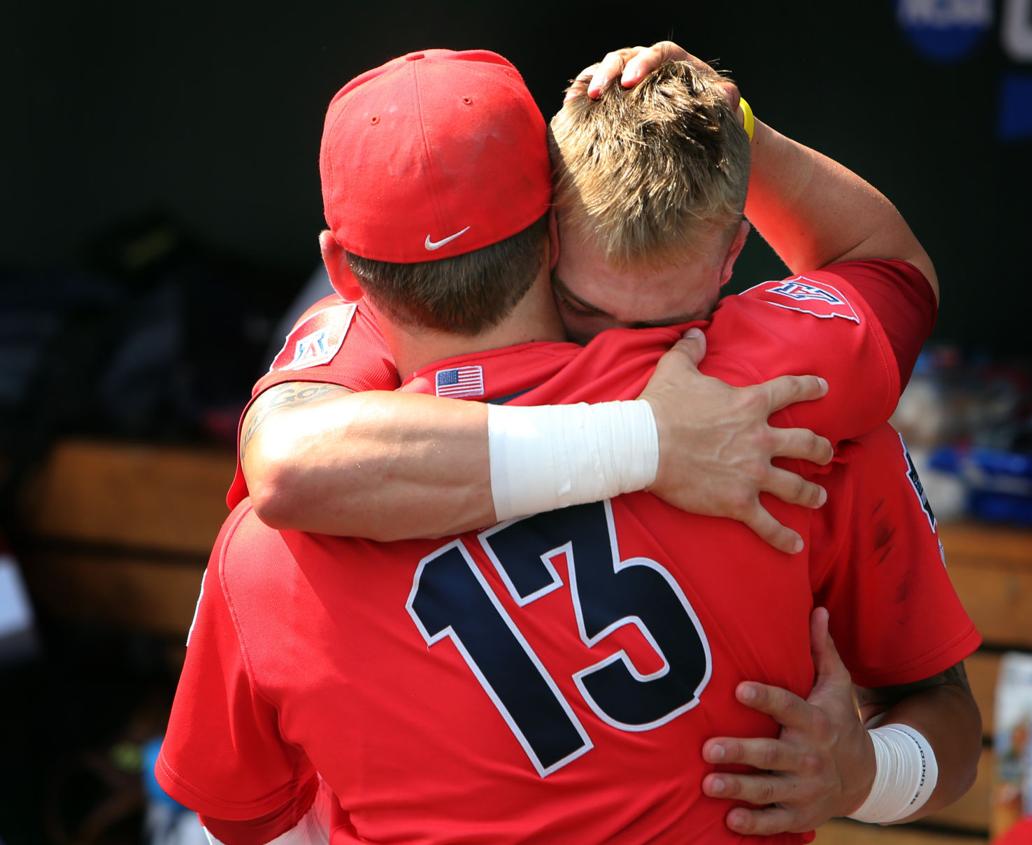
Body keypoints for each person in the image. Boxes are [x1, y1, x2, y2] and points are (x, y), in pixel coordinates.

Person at [157, 48, 982, 842]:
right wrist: (869, 775)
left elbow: (244, 821)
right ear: (554, 225)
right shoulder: (765, 406)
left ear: (341, 271)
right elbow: (889, 270)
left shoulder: (266, 545)